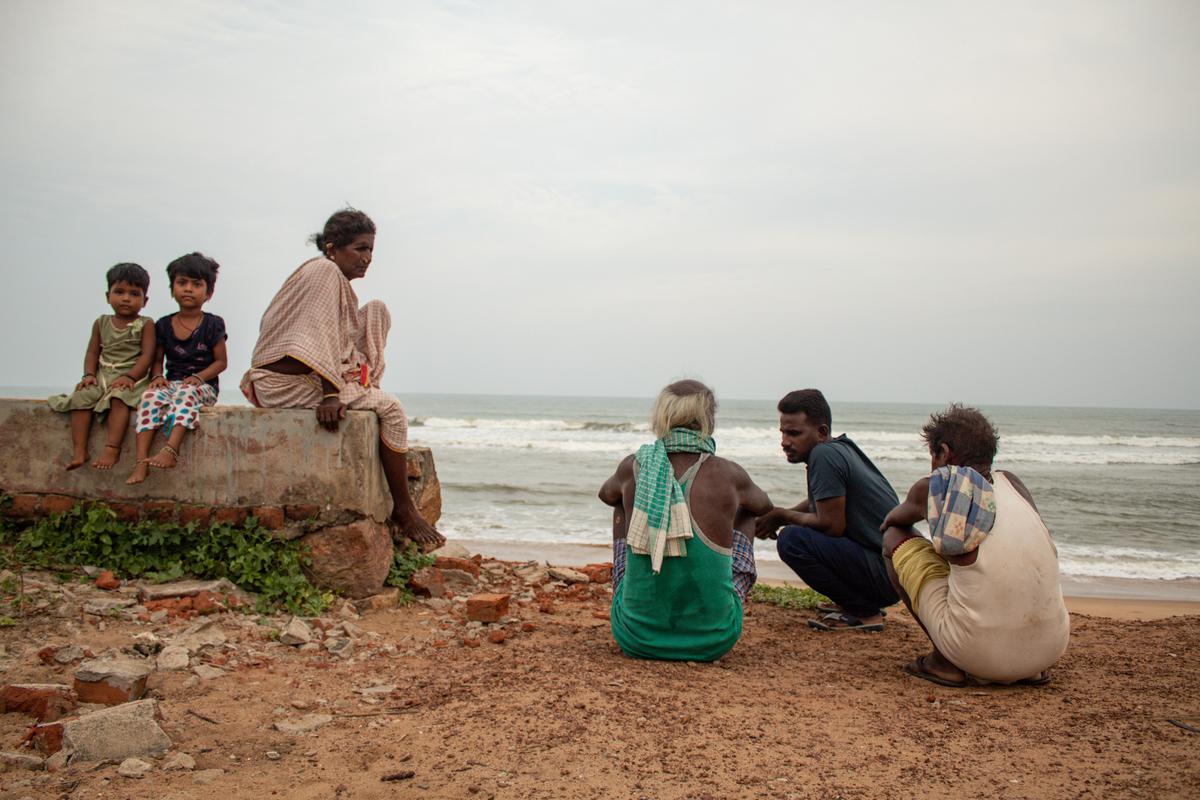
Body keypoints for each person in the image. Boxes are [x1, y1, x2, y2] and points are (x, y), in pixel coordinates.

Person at [240, 208, 442, 548]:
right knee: (391, 410)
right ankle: (404, 510)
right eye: (360, 249)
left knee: (376, 308)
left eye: (371, 251)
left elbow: (336, 335)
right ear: (332, 248)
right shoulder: (322, 270)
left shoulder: (338, 284)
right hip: (285, 384)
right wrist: (331, 393)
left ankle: (363, 384)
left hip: (316, 377)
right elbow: (314, 335)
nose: (367, 259)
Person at [880, 405, 1069, 686]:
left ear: (943, 452)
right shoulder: (1014, 484)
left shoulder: (935, 488)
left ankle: (944, 662)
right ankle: (1027, 666)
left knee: (893, 538)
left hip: (978, 654)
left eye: (933, 455)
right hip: (1049, 650)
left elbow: (891, 521)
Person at [600, 380, 773, 661]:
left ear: (661, 418)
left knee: (621, 503)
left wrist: (646, 497)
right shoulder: (728, 473)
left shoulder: (634, 465)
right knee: (746, 512)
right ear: (708, 420)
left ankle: (635, 590)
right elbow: (764, 505)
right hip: (715, 639)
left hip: (634, 635)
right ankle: (724, 592)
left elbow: (606, 495)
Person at [755, 389, 899, 631]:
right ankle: (856, 602)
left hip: (883, 576)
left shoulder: (823, 455)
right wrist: (778, 516)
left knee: (792, 540)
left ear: (821, 432)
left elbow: (832, 525)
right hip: (891, 574)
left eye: (794, 433)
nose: (785, 442)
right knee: (796, 530)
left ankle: (865, 612)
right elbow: (821, 503)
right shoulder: (840, 448)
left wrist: (781, 516)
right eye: (782, 432)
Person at [127, 253, 228, 485]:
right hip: (172, 383)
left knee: (186, 392)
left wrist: (198, 378)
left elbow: (221, 362)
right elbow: (157, 359)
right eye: (182, 283)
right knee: (150, 397)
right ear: (172, 289)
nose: (188, 289)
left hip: (203, 387)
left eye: (197, 284)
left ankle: (171, 449)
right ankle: (141, 461)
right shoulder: (163, 324)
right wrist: (157, 377)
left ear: (209, 293)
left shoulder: (213, 324)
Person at [49, 263, 155, 471]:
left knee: (119, 398)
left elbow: (147, 355)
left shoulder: (146, 323)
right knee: (82, 396)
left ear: (145, 301)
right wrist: (89, 374)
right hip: (103, 374)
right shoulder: (101, 323)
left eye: (134, 294)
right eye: (119, 292)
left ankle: (112, 448)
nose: (126, 298)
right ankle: (80, 449)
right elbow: (92, 353)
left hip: (133, 376)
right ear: (108, 296)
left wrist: (131, 377)